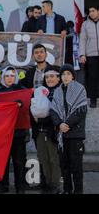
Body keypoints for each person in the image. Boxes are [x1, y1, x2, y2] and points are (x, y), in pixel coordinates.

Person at [50, 64, 87, 194]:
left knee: (76, 167)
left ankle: (78, 191)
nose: (65, 77)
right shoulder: (57, 91)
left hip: (75, 134)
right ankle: (67, 190)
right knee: (64, 166)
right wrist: (59, 124)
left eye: (68, 74)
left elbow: (81, 110)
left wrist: (66, 124)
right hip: (62, 135)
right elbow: (53, 111)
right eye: (63, 74)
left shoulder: (80, 89)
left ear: (73, 76)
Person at [0, 67, 29, 194]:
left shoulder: (23, 91)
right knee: (2, 160)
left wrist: (21, 104)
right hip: (3, 134)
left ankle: (20, 186)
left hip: (19, 133)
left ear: (16, 77)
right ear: (3, 77)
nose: (10, 78)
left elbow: (27, 109)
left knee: (19, 161)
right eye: (7, 76)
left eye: (12, 76)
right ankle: (3, 184)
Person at [31, 65, 61, 194]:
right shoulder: (41, 91)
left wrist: (43, 119)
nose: (49, 79)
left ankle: (55, 185)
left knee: (54, 159)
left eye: (52, 76)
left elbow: (58, 114)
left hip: (53, 132)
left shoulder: (61, 92)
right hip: (40, 131)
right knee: (43, 158)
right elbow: (34, 111)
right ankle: (46, 183)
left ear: (59, 78)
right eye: (47, 77)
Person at [79, 5, 99, 108]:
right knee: (92, 78)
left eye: (93, 10)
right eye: (90, 11)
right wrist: (82, 54)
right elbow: (82, 40)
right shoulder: (85, 24)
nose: (91, 13)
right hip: (91, 55)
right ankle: (93, 100)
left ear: (98, 11)